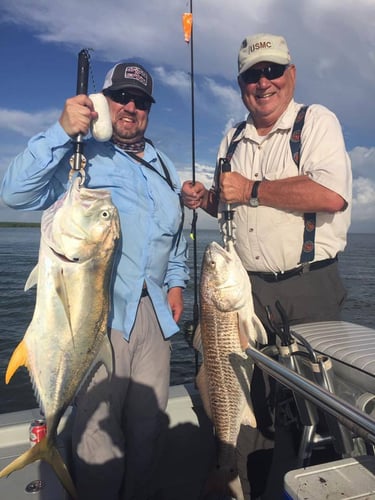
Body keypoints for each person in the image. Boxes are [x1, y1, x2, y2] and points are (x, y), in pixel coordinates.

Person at [1, 61, 189, 499]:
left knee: (149, 429)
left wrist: (176, 283)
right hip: (97, 322)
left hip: (154, 316)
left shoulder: (165, 168)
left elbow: (175, 235)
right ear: (105, 102)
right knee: (97, 439)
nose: (130, 107)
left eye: (140, 101)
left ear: (148, 110)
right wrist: (60, 130)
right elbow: (14, 193)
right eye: (121, 97)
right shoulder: (78, 155)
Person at [182, 33, 352, 498]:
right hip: (245, 290)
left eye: (273, 70)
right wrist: (208, 200)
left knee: (312, 407)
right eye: (252, 74)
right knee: (246, 398)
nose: (264, 82)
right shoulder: (231, 137)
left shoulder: (317, 122)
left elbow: (331, 195)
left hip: (307, 286)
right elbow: (231, 205)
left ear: (291, 74)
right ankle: (242, 483)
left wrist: (252, 188)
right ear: (240, 84)